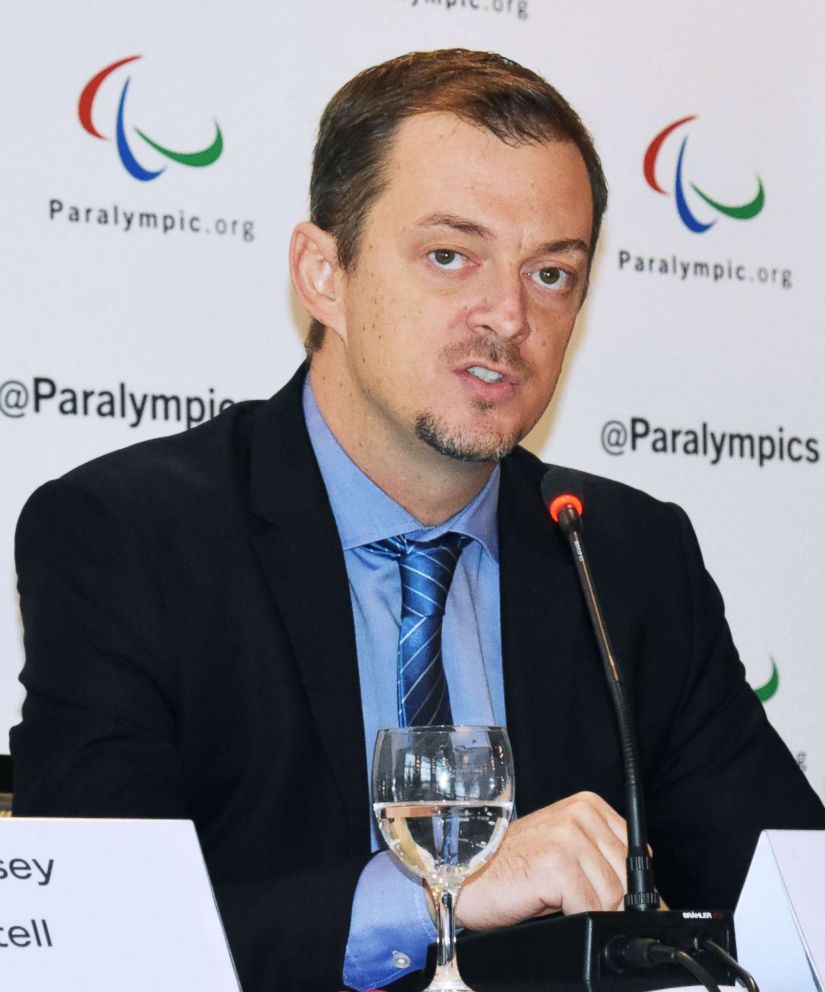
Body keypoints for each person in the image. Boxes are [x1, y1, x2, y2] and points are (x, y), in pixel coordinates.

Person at [11, 49, 825, 992]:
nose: (507, 317)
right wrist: (441, 893)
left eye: (552, 274)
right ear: (324, 273)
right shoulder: (128, 536)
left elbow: (791, 903)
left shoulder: (623, 555)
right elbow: (98, 941)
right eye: (450, 255)